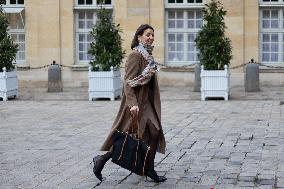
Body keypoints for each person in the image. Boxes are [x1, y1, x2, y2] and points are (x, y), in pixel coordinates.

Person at [92, 24, 167, 183]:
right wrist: (132, 104)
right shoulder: (136, 55)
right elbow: (128, 83)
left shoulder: (148, 56)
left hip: (148, 104)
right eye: (148, 35)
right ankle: (101, 160)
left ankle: (149, 169)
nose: (151, 37)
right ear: (139, 37)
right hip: (137, 104)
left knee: (154, 132)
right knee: (127, 139)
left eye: (153, 35)